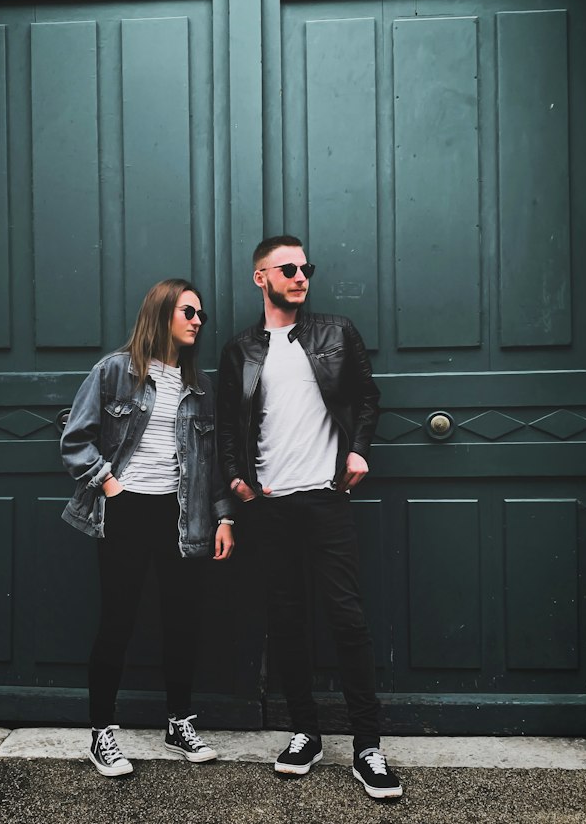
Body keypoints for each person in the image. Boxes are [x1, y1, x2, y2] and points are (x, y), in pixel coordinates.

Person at [216, 236, 403, 800]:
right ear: (261, 278)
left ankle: (368, 747)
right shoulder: (240, 350)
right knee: (288, 621)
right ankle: (306, 733)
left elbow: (367, 397)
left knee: (347, 620)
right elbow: (228, 424)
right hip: (269, 506)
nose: (300, 276)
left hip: (326, 499)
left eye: (306, 268)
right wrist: (237, 481)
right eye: (288, 268)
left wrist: (359, 450)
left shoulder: (336, 333)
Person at [60, 279, 235, 777]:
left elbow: (212, 463)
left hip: (182, 516)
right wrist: (109, 485)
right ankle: (101, 733)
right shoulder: (115, 372)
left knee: (182, 622)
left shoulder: (200, 386)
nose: (198, 320)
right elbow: (76, 439)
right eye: (188, 311)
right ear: (161, 314)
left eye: (201, 313)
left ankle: (178, 722)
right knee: (118, 621)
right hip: (126, 510)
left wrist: (224, 517)